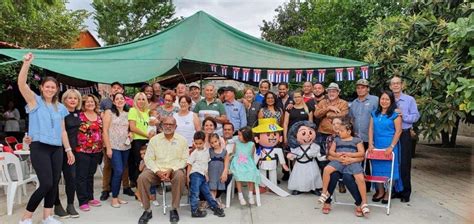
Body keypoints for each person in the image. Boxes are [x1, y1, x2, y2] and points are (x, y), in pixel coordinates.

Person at [18, 53, 74, 224]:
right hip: (39, 147)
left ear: (57, 89)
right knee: (46, 183)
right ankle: (26, 218)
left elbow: (63, 131)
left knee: (54, 182)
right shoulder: (35, 101)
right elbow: (21, 84)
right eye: (47, 86)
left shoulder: (61, 108)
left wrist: (68, 149)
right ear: (42, 87)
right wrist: (26, 63)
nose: (50, 89)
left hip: (57, 148)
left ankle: (47, 216)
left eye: (53, 87)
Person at [137, 116, 188, 224]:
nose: (168, 126)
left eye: (171, 124)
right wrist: (157, 171)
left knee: (179, 176)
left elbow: (184, 160)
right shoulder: (154, 140)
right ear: (161, 126)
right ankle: (147, 210)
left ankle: (174, 209)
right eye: (165, 124)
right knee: (142, 178)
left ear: (176, 126)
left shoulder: (182, 140)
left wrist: (171, 169)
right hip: (156, 170)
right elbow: (148, 158)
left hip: (174, 170)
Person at [319, 121, 369, 215]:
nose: (339, 132)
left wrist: (351, 156)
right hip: (338, 162)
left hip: (352, 162)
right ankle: (325, 193)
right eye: (338, 130)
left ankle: (363, 202)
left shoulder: (356, 140)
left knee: (360, 178)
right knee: (327, 170)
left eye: (341, 130)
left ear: (349, 131)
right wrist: (337, 155)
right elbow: (330, 153)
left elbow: (362, 153)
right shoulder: (336, 140)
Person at [99, 81, 133, 201]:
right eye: (117, 99)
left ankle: (117, 196)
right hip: (113, 146)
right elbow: (105, 131)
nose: (119, 100)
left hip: (125, 146)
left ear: (125, 100)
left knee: (122, 170)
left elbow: (130, 128)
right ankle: (113, 197)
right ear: (113, 101)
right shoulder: (109, 112)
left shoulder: (128, 113)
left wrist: (131, 133)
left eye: (121, 98)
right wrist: (108, 147)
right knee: (118, 170)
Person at [368, 90, 403, 204]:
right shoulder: (374, 113)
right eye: (382, 99)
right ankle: (380, 191)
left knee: (390, 170)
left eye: (387, 99)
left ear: (391, 101)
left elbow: (398, 131)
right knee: (377, 169)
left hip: (390, 145)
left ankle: (388, 192)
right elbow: (371, 129)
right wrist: (370, 144)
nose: (384, 101)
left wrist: (391, 146)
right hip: (377, 145)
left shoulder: (395, 115)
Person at [390, 76, 420, 203]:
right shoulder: (388, 100)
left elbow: (416, 116)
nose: (396, 85)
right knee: (393, 162)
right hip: (391, 134)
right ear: (390, 86)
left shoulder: (409, 100)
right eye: (393, 84)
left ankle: (405, 192)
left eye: (398, 83)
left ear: (402, 85)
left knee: (404, 163)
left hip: (404, 134)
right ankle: (395, 190)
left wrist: (403, 115)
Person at [53, 89, 82, 219]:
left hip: (73, 151)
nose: (72, 100)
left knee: (71, 178)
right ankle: (57, 205)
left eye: (75, 98)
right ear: (64, 100)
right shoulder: (60, 113)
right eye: (69, 98)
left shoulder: (79, 114)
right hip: (59, 149)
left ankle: (70, 205)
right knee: (56, 178)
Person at [187, 131, 226, 218]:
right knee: (195, 193)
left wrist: (207, 175)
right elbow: (189, 164)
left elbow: (206, 164)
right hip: (195, 174)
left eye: (200, 143)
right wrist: (188, 176)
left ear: (204, 142)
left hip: (203, 176)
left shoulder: (207, 151)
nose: (198, 145)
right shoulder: (195, 153)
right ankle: (194, 211)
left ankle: (215, 208)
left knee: (207, 193)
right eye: (196, 143)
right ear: (194, 142)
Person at [75, 94, 103, 212]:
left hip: (96, 150)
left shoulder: (99, 116)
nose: (90, 103)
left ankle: (90, 198)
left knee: (91, 174)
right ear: (83, 104)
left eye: (92, 102)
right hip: (82, 150)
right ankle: (82, 200)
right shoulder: (79, 116)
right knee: (82, 176)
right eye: (87, 102)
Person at [349, 79, 378, 191]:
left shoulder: (375, 100)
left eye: (363, 87)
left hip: (372, 137)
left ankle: (379, 187)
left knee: (374, 162)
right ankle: (364, 186)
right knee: (361, 162)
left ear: (368, 88)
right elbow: (351, 119)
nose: (360, 90)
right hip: (358, 138)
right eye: (358, 87)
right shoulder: (354, 103)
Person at [314, 83, 349, 155]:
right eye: (329, 91)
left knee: (338, 154)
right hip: (323, 133)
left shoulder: (343, 103)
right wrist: (328, 108)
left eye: (333, 91)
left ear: (338, 92)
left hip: (337, 134)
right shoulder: (322, 102)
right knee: (323, 155)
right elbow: (316, 114)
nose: (331, 93)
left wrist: (328, 114)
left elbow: (343, 115)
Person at [229, 127, 260, 205]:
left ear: (246, 136)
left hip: (247, 162)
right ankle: (240, 195)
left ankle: (250, 194)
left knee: (252, 172)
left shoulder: (251, 144)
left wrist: (252, 165)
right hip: (237, 161)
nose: (238, 137)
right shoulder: (237, 143)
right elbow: (233, 153)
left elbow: (251, 156)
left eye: (240, 135)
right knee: (238, 173)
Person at [128, 92, 151, 188]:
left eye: (143, 99)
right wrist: (147, 135)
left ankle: (145, 185)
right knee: (138, 163)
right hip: (138, 141)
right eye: (139, 99)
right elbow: (132, 127)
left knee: (146, 163)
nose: (141, 101)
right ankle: (138, 187)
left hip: (147, 141)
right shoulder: (133, 110)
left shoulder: (147, 112)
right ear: (135, 100)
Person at [207, 133, 228, 204]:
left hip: (220, 173)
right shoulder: (209, 151)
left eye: (215, 141)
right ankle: (213, 203)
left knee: (217, 188)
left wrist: (225, 172)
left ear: (219, 140)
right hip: (211, 173)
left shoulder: (224, 151)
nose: (214, 144)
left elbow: (226, 164)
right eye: (212, 143)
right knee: (212, 188)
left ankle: (214, 202)